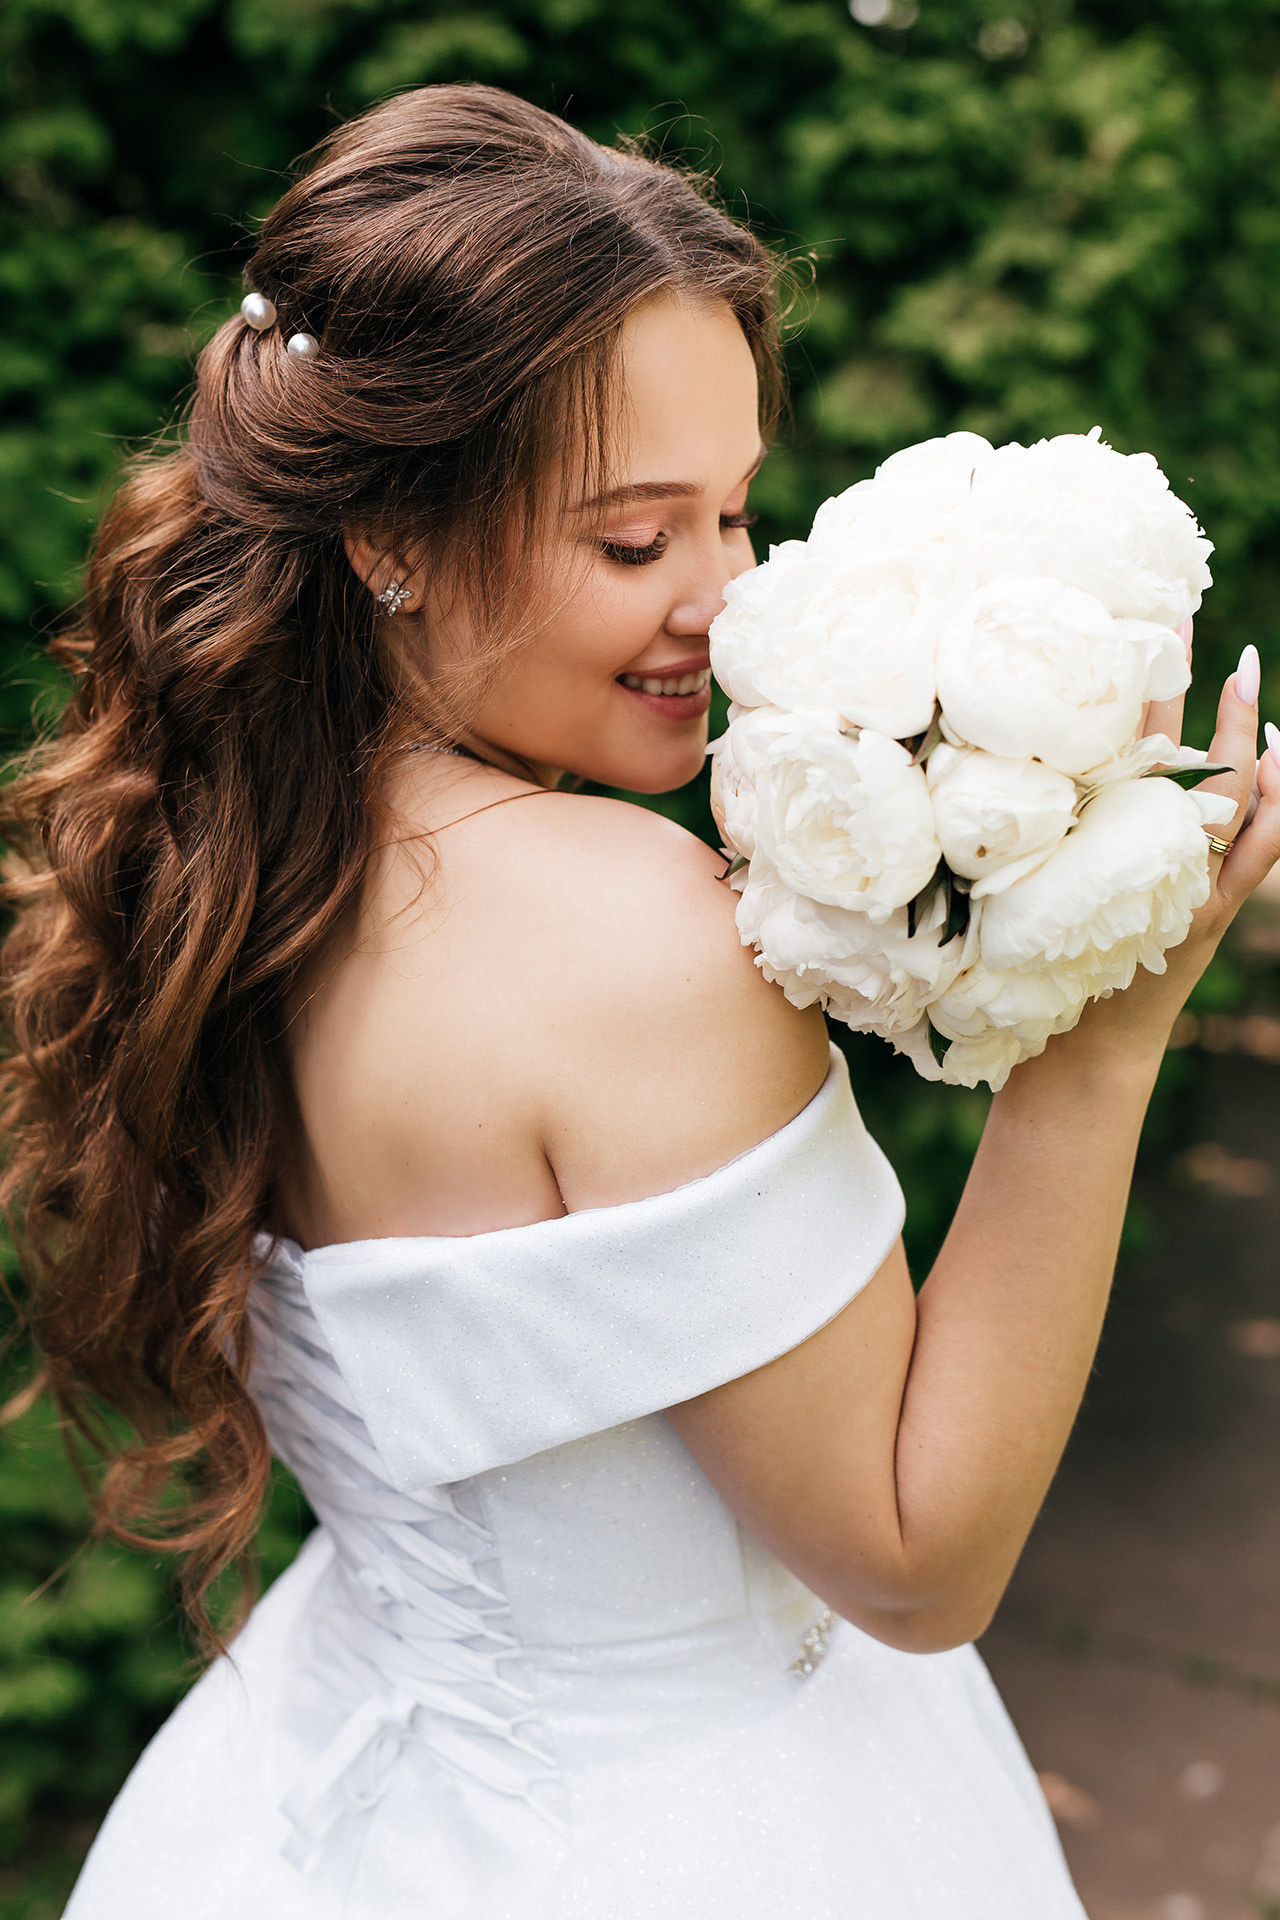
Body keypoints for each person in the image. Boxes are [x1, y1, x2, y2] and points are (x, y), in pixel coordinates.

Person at [4, 83, 1275, 1920]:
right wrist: (1104, 1031)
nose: (724, 604)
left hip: (354, 1785)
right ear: (390, 534)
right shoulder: (633, 936)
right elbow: (916, 1562)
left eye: (735, 515)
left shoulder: (246, 860)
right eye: (632, 542)